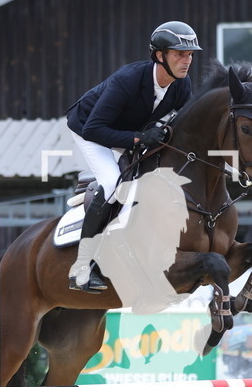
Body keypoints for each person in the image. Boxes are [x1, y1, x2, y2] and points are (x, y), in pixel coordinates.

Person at [65, 20, 202, 293]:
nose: (186, 61)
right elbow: (95, 128)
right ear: (159, 56)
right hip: (89, 129)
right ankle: (81, 267)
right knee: (112, 182)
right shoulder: (127, 80)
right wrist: (139, 139)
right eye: (179, 54)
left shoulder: (182, 85)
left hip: (128, 131)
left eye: (190, 55)